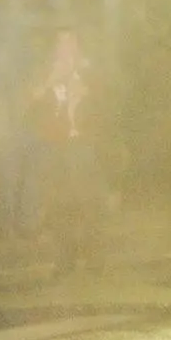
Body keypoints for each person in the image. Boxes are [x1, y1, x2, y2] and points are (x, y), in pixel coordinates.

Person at [28, 29, 102, 275]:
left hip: (82, 143)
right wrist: (51, 80)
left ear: (78, 46)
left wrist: (86, 91)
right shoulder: (45, 71)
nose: (65, 47)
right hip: (55, 144)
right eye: (61, 42)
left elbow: (105, 101)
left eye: (70, 41)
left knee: (86, 202)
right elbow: (29, 102)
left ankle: (92, 256)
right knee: (58, 204)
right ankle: (63, 260)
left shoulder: (88, 71)